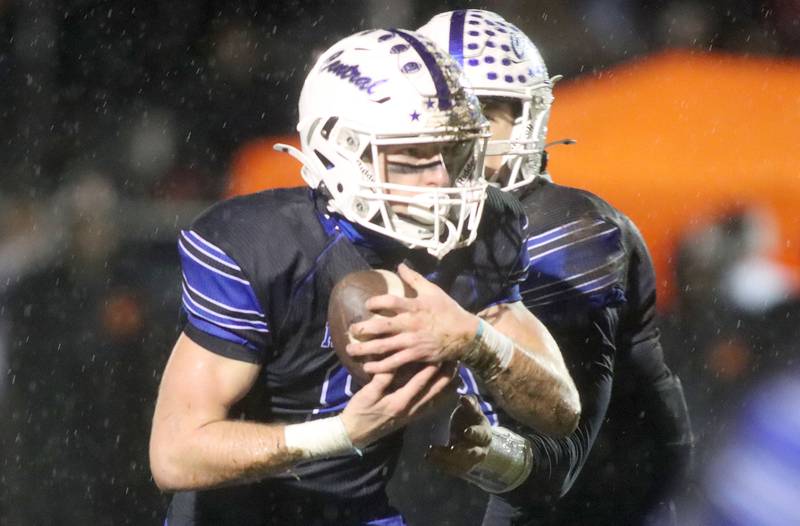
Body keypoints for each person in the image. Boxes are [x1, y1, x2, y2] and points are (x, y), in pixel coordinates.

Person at [149, 29, 579, 526]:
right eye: (413, 156)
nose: (441, 178)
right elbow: (174, 453)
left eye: (453, 151)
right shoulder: (263, 245)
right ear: (341, 151)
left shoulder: (486, 229)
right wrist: (343, 433)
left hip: (358, 512)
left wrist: (476, 340)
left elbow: (562, 410)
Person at [418, 10, 694, 526]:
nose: (462, 144)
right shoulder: (365, 228)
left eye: (484, 117)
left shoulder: (566, 229)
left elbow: (553, 463)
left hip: (595, 501)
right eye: (445, 121)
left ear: (528, 121)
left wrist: (492, 454)